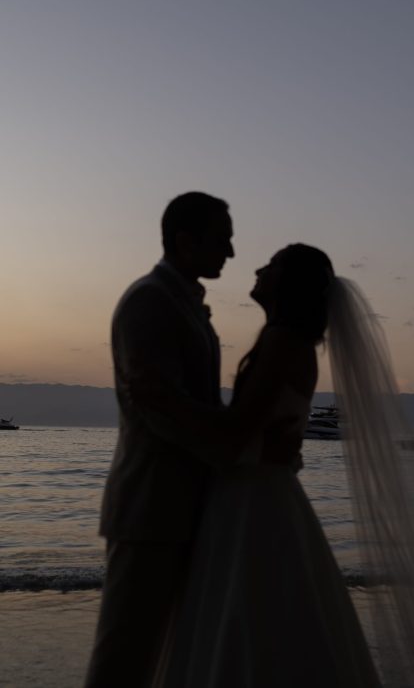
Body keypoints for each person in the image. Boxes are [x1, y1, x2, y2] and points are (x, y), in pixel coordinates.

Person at [153, 245, 414, 688]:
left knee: (250, 615)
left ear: (288, 285)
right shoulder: (298, 345)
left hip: (254, 499)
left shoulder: (281, 342)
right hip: (269, 491)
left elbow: (238, 430)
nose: (257, 268)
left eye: (271, 265)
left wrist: (163, 403)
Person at [84, 191, 236, 688]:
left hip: (185, 509)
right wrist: (233, 445)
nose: (231, 253)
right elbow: (157, 407)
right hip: (150, 509)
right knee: (123, 661)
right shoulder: (149, 300)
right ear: (184, 241)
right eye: (222, 240)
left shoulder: (182, 301)